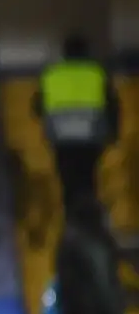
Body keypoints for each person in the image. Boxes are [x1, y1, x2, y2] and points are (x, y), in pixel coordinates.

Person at [37, 34, 120, 215]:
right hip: (91, 137)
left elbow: (37, 107)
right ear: (86, 52)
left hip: (61, 139)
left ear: (65, 52)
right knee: (89, 179)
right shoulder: (97, 73)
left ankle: (72, 219)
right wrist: (114, 133)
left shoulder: (51, 74)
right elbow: (112, 105)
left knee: (67, 181)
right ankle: (89, 217)